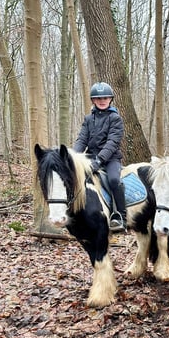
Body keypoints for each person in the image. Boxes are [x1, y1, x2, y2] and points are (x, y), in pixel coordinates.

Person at [72, 82, 127, 232]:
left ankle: (120, 216)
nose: (102, 100)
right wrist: (73, 157)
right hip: (91, 157)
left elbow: (112, 142)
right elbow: (82, 139)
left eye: (105, 97)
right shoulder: (89, 119)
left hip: (110, 159)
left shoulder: (115, 118)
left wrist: (100, 160)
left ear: (110, 99)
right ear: (93, 101)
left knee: (114, 180)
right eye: (98, 98)